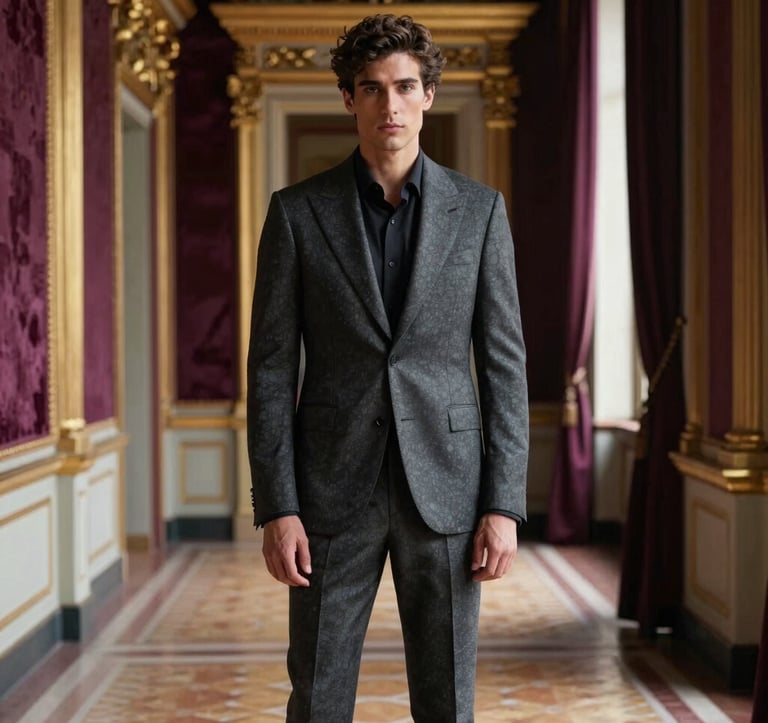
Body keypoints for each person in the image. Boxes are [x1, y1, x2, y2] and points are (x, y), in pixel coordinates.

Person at [247, 13, 528, 722]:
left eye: (405, 86)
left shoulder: (481, 214)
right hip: (330, 492)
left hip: (449, 493)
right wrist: (278, 506)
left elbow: (504, 366)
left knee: (447, 698)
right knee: (317, 695)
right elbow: (271, 372)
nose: (390, 105)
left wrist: (503, 502)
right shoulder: (296, 215)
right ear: (349, 99)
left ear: (429, 93)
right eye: (371, 89)